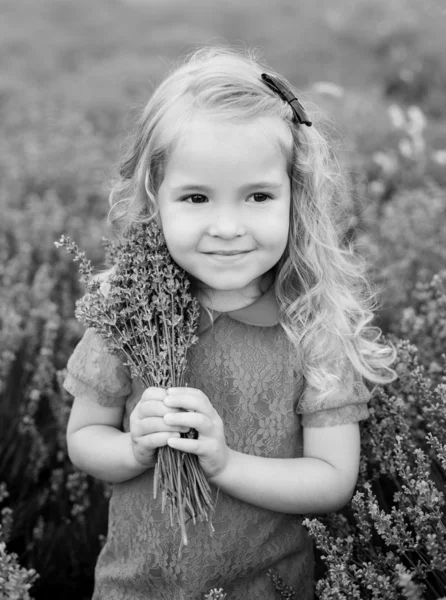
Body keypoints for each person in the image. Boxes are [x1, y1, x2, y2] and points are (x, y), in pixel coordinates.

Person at [63, 46, 397, 600]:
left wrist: (223, 462)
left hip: (266, 588)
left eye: (258, 196)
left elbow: (332, 480)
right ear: (155, 198)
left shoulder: (314, 328)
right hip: (135, 586)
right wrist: (134, 449)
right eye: (196, 197)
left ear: (297, 199)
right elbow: (84, 438)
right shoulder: (128, 313)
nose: (225, 226)